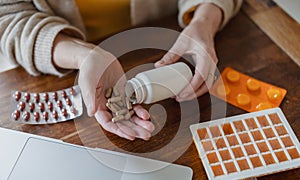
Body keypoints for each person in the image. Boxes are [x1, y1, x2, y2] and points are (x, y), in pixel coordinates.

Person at [0, 0, 242, 140]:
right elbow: (8, 17)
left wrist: (203, 20)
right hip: (57, 59)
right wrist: (83, 55)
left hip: (175, 30)